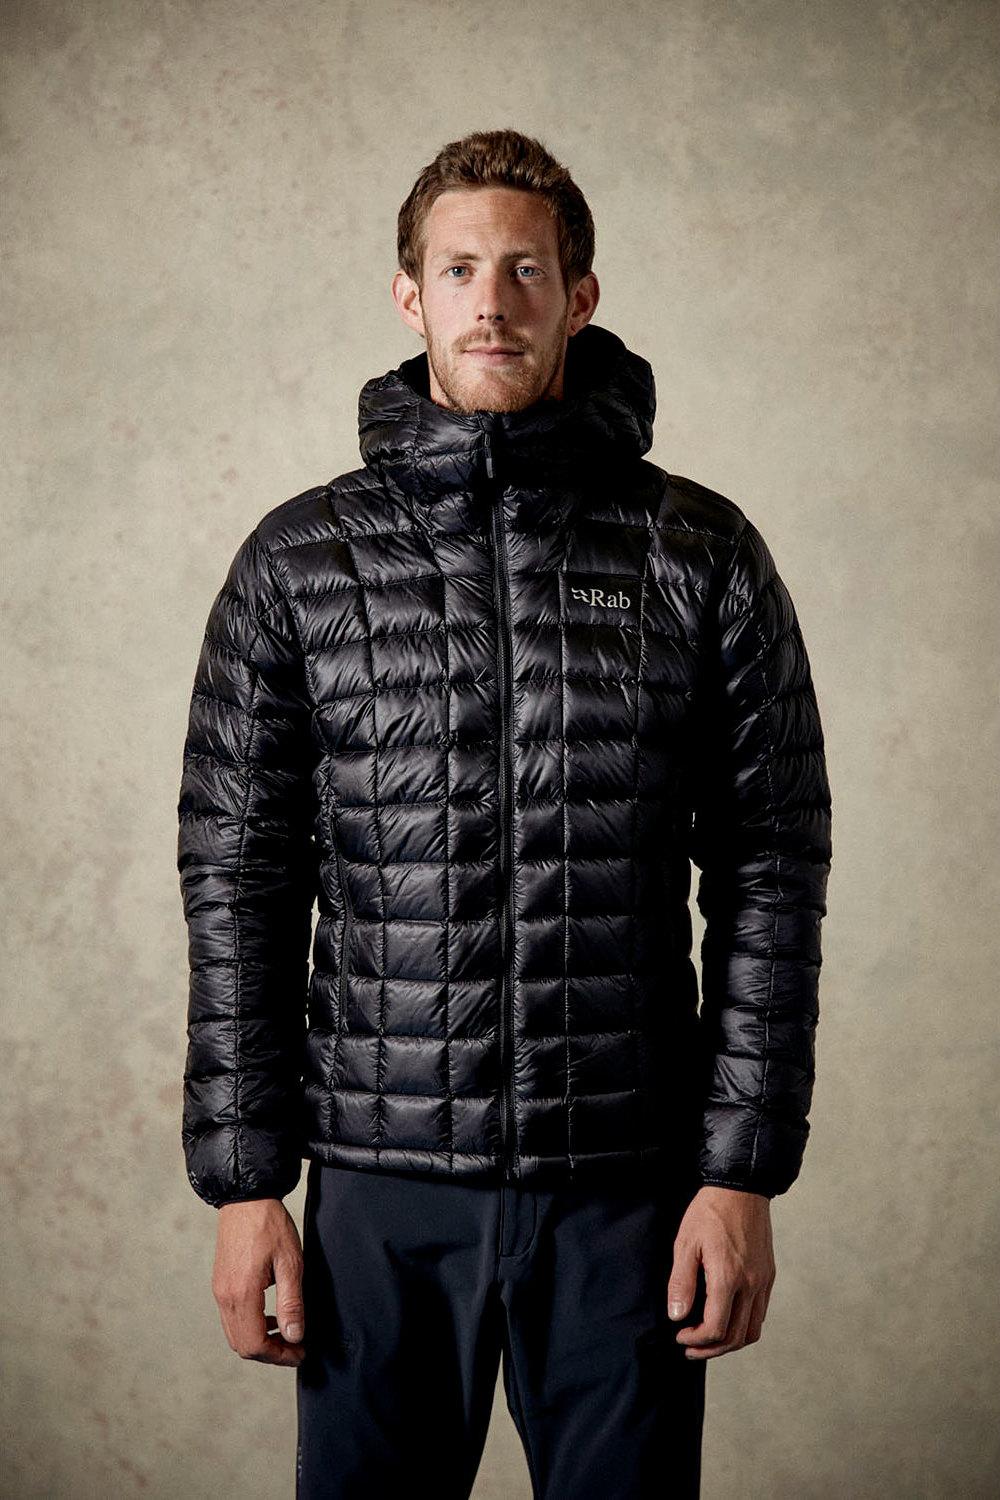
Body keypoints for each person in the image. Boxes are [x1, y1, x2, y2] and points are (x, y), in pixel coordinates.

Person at [176, 128, 833, 1499]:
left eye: (525, 270)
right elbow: (239, 877)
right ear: (409, 295)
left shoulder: (698, 552)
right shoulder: (299, 562)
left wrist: (741, 1174)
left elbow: (772, 864)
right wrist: (246, 1185)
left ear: (578, 295)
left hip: (628, 1192)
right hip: (378, 1193)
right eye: (460, 269)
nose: (492, 302)